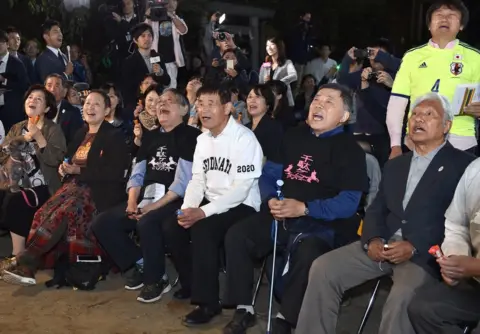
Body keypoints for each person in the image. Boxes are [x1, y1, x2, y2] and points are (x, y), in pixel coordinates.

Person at [296, 92, 476, 334]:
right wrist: (373, 238)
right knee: (323, 268)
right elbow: (376, 208)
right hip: (383, 245)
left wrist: (414, 246)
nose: (418, 119)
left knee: (403, 298)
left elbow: (458, 223)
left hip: (424, 255)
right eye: (415, 114)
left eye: (428, 115)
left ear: (447, 126)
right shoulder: (396, 164)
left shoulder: (463, 166)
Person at [223, 83, 369, 334]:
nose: (318, 105)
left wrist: (305, 208)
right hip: (281, 212)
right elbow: (268, 176)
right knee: (238, 235)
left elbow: (348, 203)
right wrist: (270, 199)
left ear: (344, 117)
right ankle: (244, 308)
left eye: (328, 102)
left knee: (309, 252)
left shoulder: (351, 151)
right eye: (316, 100)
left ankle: (285, 319)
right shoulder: (293, 136)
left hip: (323, 222)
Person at [1, 90, 130, 286]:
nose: (90, 108)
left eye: (96, 104)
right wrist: (65, 168)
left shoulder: (114, 137)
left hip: (97, 192)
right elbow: (67, 160)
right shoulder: (81, 134)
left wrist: (79, 171)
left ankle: (26, 262)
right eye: (87, 103)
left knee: (66, 210)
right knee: (43, 213)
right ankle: (27, 263)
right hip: (72, 188)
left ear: (107, 110)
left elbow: (115, 173)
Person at [162, 85, 263, 326]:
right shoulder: (202, 139)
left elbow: (241, 190)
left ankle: (221, 305)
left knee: (204, 229)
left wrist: (202, 212)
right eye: (200, 103)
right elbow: (197, 180)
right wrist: (187, 208)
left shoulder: (244, 139)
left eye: (211, 103)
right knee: (172, 226)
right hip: (212, 203)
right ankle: (196, 289)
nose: (203, 109)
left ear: (227, 107)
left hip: (242, 205)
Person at [93, 89, 200, 303]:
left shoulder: (191, 136)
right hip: (145, 198)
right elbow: (138, 172)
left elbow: (183, 181)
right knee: (102, 223)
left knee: (148, 222)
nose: (162, 104)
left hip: (174, 199)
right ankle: (141, 263)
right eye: (159, 101)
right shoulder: (150, 136)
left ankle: (155, 279)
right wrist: (133, 202)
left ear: (183, 109)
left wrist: (152, 207)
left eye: (168, 101)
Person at [387, 0, 480, 159]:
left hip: (462, 143)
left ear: (461, 25)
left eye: (451, 15)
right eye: (439, 15)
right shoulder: (412, 57)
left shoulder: (475, 57)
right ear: (429, 25)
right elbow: (397, 102)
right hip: (417, 141)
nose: (444, 19)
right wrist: (395, 145)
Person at [408, 158, 480, 333]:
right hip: (475, 280)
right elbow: (457, 225)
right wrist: (456, 259)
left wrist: (476, 268)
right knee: (424, 309)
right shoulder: (475, 170)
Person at [0, 85, 66, 274]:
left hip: (44, 187)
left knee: (16, 201)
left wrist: (38, 137)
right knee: (10, 196)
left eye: (39, 99)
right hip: (15, 183)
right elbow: (2, 154)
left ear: (46, 108)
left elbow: (55, 160)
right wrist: (21, 139)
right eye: (30, 97)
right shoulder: (17, 127)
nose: (33, 101)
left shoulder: (52, 129)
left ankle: (17, 255)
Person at [121, 23, 170, 114]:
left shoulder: (158, 57)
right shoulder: (129, 61)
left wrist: (160, 72)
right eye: (143, 36)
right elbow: (126, 88)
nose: (147, 39)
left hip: (158, 103)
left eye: (149, 35)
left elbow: (167, 81)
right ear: (136, 40)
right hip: (139, 104)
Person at [245, 84, 283, 199]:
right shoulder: (245, 127)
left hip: (264, 182)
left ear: (267, 104)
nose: (252, 100)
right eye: (250, 97)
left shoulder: (274, 127)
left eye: (257, 97)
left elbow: (272, 161)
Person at [145, 0, 188, 89]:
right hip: (155, 59)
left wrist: (172, 16)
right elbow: (145, 30)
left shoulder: (176, 18)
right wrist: (148, 16)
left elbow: (183, 30)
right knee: (155, 86)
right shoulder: (154, 17)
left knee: (170, 88)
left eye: (174, 1)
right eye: (169, 1)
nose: (171, 3)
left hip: (171, 60)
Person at [0, 30, 29, 133]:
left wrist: (5, 80)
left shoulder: (17, 64)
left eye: (1, 43)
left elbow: (24, 85)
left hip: (12, 112)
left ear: (7, 44)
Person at [44, 74, 84, 145]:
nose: (52, 89)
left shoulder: (73, 112)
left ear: (64, 92)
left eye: (57, 86)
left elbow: (75, 142)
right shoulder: (36, 108)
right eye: (49, 85)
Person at [259, 38, 297, 107]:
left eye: (272, 44)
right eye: (267, 45)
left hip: (284, 100)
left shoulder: (287, 63)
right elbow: (260, 83)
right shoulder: (265, 64)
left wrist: (276, 82)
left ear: (279, 46)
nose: (269, 48)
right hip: (269, 101)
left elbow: (294, 76)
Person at [99, 83, 133, 150]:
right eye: (105, 96)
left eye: (111, 96)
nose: (107, 100)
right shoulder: (93, 123)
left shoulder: (126, 123)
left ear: (118, 100)